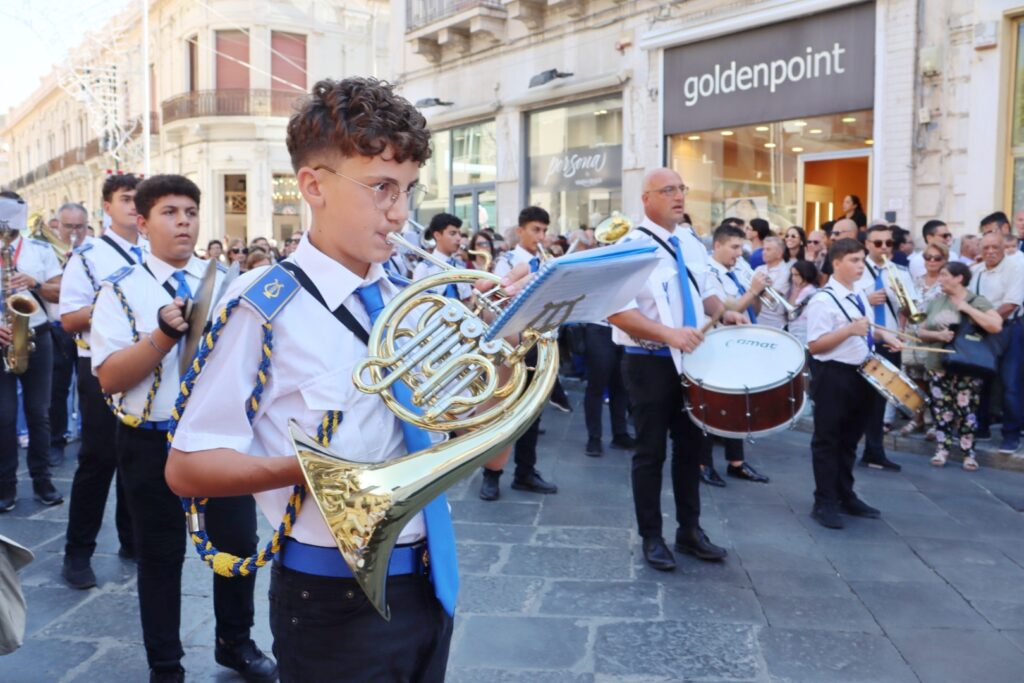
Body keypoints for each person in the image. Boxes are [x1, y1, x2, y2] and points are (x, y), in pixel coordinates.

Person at [164, 79, 538, 682]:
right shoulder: (263, 307)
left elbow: (490, 453)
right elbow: (188, 468)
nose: (400, 212)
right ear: (314, 186)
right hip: (330, 596)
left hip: (430, 576)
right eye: (381, 187)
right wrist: (319, 472)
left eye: (409, 189)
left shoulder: (408, 297)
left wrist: (505, 349)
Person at [91, 175, 275, 682]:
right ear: (143, 222)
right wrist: (162, 336)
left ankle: (235, 642)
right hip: (149, 438)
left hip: (219, 439)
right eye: (169, 213)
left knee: (238, 543)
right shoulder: (120, 288)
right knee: (159, 554)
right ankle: (166, 663)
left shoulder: (227, 283)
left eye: (191, 212)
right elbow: (110, 377)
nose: (183, 223)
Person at [608, 167, 742, 570]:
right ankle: (651, 536)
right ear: (646, 199)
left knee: (691, 449)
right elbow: (618, 312)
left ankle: (690, 531)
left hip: (693, 360)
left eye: (681, 188)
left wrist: (725, 313)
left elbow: (706, 293)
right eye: (668, 190)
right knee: (650, 452)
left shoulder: (690, 242)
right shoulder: (629, 246)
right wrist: (670, 334)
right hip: (649, 363)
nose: (679, 196)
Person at [58, 174, 142, 588]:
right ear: (107, 207)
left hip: (144, 365)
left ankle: (131, 539)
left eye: (138, 198)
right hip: (99, 366)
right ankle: (77, 553)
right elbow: (69, 318)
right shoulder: (88, 256)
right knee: (98, 459)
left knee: (137, 456)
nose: (134, 205)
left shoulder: (152, 252)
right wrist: (113, 303)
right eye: (126, 199)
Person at [804, 238, 901, 529]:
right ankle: (824, 501)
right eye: (854, 260)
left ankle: (845, 494)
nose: (861, 266)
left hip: (862, 373)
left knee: (849, 439)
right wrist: (848, 331)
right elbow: (816, 345)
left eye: (862, 260)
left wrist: (886, 336)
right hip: (834, 375)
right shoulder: (822, 300)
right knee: (827, 439)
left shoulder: (858, 293)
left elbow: (867, 331)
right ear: (836, 263)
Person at [480, 206, 560, 500]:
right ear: (521, 230)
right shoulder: (508, 261)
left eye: (544, 230)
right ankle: (491, 475)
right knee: (503, 408)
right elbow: (496, 302)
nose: (541, 236)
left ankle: (526, 471)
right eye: (536, 230)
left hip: (541, 342)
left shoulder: (547, 262)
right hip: (514, 344)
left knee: (532, 413)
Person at [0, 192, 64, 512]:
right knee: (4, 416)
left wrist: (35, 284)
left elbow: (61, 291)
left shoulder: (40, 250)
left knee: (39, 413)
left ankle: (42, 480)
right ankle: (5, 486)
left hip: (37, 335)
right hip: (2, 338)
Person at [916, 262, 1002, 470]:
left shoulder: (977, 300)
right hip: (938, 364)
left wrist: (968, 309)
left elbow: (996, 325)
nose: (940, 279)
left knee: (966, 411)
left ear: (959, 278)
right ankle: (942, 449)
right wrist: (938, 335)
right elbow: (920, 332)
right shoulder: (937, 302)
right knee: (941, 410)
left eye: (945, 275)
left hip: (967, 365)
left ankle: (968, 453)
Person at [703, 223, 770, 485]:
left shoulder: (737, 272)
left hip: (739, 345)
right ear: (717, 245)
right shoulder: (708, 273)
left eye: (741, 247)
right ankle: (703, 463)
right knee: (710, 406)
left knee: (739, 406)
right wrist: (752, 290)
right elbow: (723, 313)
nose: (739, 253)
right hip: (717, 347)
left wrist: (758, 294)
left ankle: (736, 462)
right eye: (734, 247)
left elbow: (753, 310)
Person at [855, 223, 918, 471]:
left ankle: (874, 451)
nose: (884, 247)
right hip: (862, 341)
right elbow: (842, 303)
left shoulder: (900, 272)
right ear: (867, 244)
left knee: (880, 400)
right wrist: (866, 300)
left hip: (890, 341)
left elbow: (911, 310)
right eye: (878, 243)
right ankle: (847, 446)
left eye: (888, 243)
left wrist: (906, 306)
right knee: (856, 398)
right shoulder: (857, 269)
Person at [970, 230, 1024, 452]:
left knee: (1011, 384)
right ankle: (980, 427)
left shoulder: (1016, 268)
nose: (991, 251)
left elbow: (1011, 304)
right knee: (980, 381)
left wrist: (985, 319)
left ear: (1004, 248)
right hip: (982, 330)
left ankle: (1011, 435)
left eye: (995, 247)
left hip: (1009, 329)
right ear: (980, 250)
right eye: (986, 247)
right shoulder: (976, 272)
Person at [47, 203, 90, 467]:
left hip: (89, 327)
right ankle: (56, 441)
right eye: (68, 226)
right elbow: (48, 289)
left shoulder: (94, 251)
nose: (74, 232)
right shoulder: (47, 252)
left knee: (89, 386)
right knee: (57, 389)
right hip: (57, 327)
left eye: (79, 227)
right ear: (58, 226)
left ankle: (89, 437)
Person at [901, 242, 948, 438]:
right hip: (912, 336)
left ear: (944, 260)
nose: (932, 261)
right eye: (928, 257)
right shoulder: (916, 281)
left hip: (934, 337)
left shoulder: (946, 282)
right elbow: (904, 308)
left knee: (935, 381)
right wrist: (900, 330)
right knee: (915, 379)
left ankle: (935, 422)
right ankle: (918, 418)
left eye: (937, 258)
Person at [411, 213, 472, 300]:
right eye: (453, 233)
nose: (459, 238)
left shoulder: (460, 266)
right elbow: (418, 302)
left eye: (459, 234)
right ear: (437, 235)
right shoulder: (424, 268)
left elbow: (467, 299)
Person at [754, 236, 791, 330]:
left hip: (774, 323)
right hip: (756, 319)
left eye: (768, 249)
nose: (763, 252)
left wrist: (755, 289)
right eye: (764, 249)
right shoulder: (759, 269)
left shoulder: (785, 272)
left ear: (779, 254)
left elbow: (769, 298)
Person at [786, 260, 819, 344]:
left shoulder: (811, 291)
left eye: (796, 275)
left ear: (805, 274)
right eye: (792, 275)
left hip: (803, 332)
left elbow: (794, 312)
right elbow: (789, 309)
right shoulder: (796, 288)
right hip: (793, 329)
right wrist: (795, 291)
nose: (793, 278)